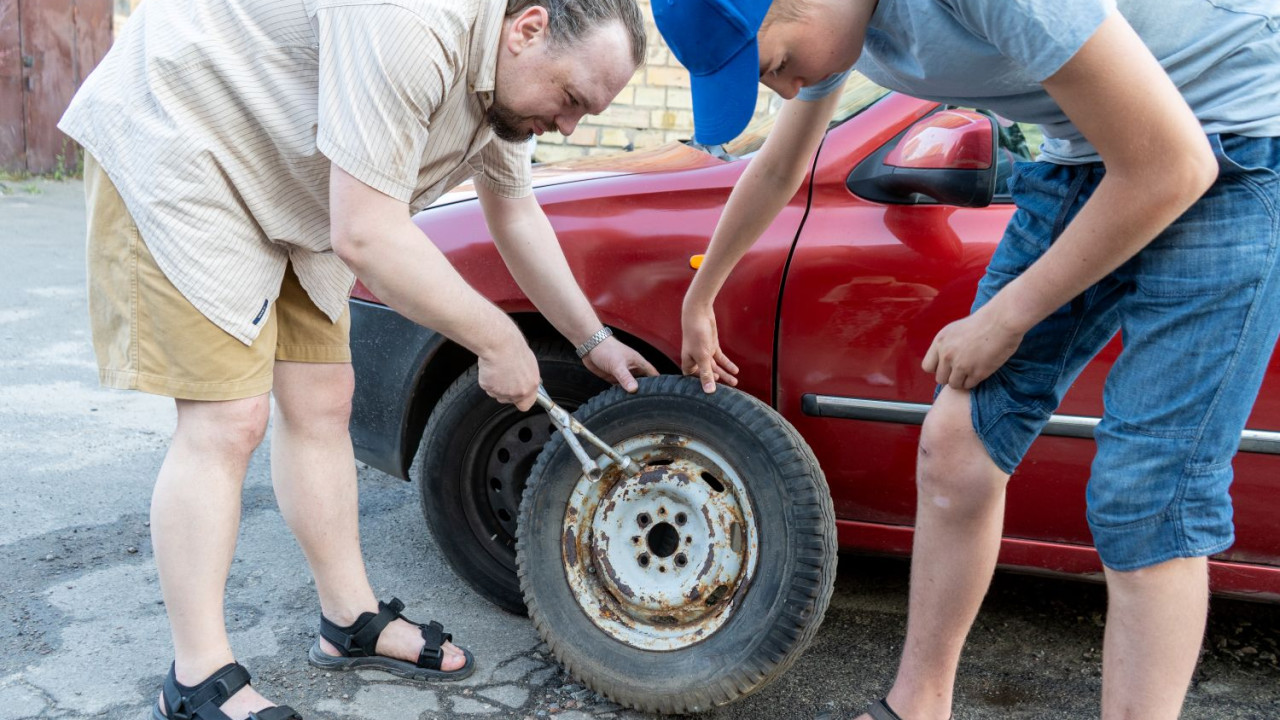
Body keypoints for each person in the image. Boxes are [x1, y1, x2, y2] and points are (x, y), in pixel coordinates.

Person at [652, 0, 1280, 718]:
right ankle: (916, 707)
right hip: (1092, 155)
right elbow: (778, 170)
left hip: (1234, 142)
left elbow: (1172, 164)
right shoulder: (831, 30)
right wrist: (702, 296)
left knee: (1149, 495)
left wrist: (1005, 320)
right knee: (958, 441)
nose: (787, 90)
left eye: (777, 67)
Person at [59, 0, 658, 716]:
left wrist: (594, 343)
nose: (567, 125)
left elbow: (515, 210)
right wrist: (496, 340)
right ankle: (196, 679)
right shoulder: (416, 22)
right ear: (527, 29)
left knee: (322, 401)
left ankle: (349, 620)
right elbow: (369, 235)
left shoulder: (504, 83)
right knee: (227, 419)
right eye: (570, 100)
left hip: (292, 176)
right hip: (187, 140)